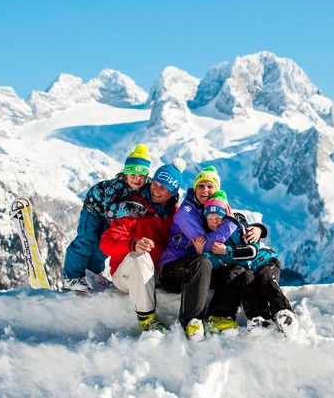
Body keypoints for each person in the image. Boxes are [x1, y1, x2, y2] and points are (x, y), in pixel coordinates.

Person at [158, 166, 262, 341]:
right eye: (201, 186)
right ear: (195, 188)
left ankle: (218, 316)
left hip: (199, 270)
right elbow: (207, 245)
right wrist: (229, 223)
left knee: (235, 269)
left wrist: (258, 229)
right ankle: (191, 320)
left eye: (209, 186)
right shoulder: (187, 212)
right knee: (202, 262)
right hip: (172, 271)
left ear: (217, 190)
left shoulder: (213, 209)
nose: (205, 190)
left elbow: (239, 224)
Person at [99, 157, 185, 333]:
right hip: (126, 275)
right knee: (140, 256)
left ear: (172, 192)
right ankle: (147, 318)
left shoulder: (175, 214)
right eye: (155, 183)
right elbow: (106, 242)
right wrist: (132, 244)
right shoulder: (134, 207)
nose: (156, 189)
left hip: (156, 273)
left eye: (163, 187)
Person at [201, 191, 298, 337]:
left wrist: (226, 250)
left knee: (265, 279)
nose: (214, 222)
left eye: (218, 218)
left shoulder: (239, 229)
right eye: (210, 219)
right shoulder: (214, 240)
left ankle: (284, 312)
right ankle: (258, 318)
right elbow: (213, 261)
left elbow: (252, 251)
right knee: (247, 282)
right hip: (248, 269)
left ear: (225, 218)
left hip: (264, 260)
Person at [62, 144, 152, 293]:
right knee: (87, 241)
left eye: (141, 176)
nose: (137, 179)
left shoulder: (146, 185)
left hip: (109, 218)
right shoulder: (116, 187)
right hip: (94, 211)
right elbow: (110, 211)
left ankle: (94, 273)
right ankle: (72, 277)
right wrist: (131, 207)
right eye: (133, 175)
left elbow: (158, 188)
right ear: (125, 174)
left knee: (103, 246)